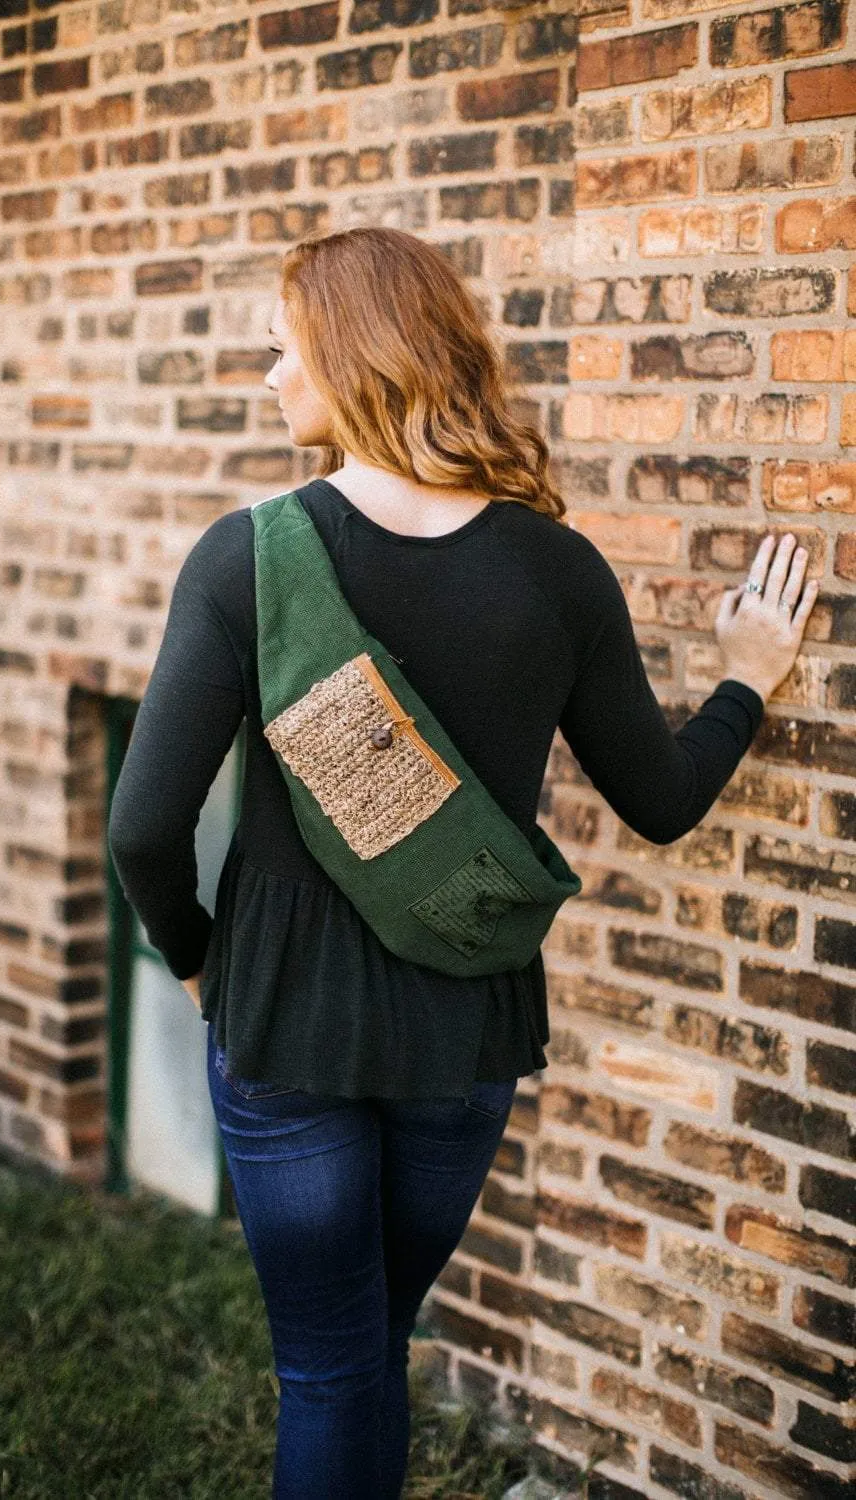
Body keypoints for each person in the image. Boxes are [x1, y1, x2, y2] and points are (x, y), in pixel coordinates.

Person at [107, 227, 819, 1499]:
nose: (265, 377)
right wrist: (744, 682)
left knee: (330, 1367)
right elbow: (657, 804)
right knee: (379, 1343)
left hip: (289, 1028)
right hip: (463, 1037)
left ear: (347, 353)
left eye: (281, 351)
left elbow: (143, 830)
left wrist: (199, 961)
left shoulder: (253, 557)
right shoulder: (557, 569)